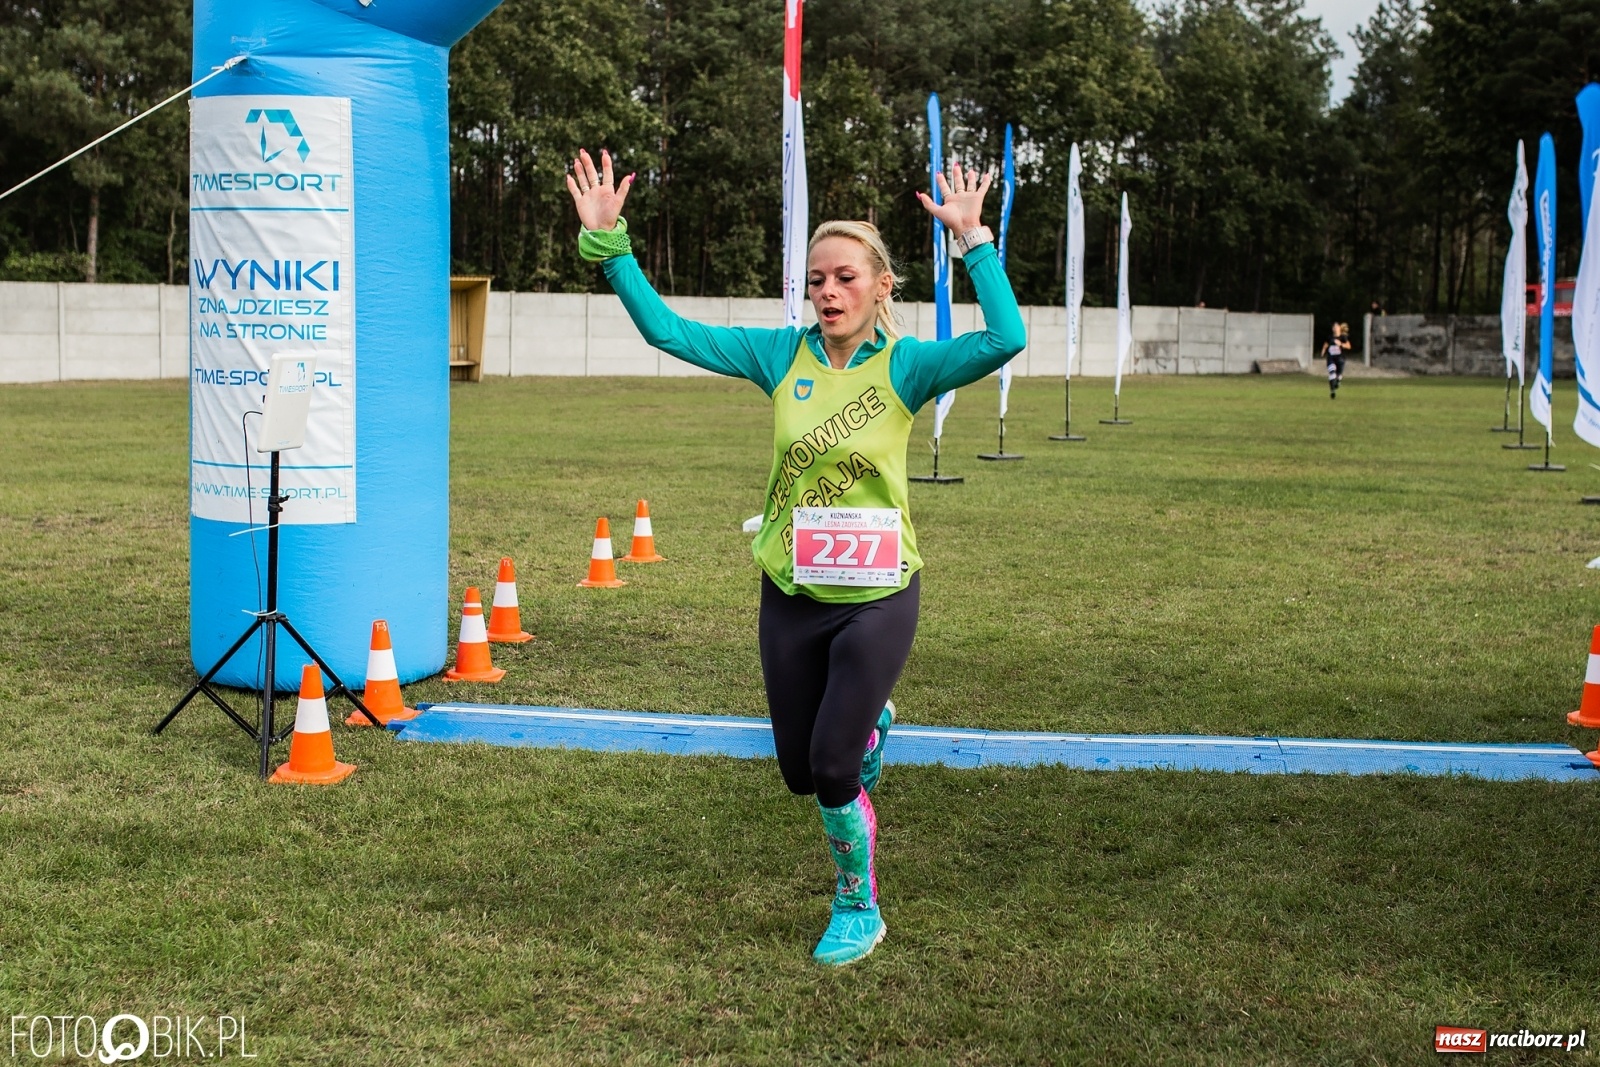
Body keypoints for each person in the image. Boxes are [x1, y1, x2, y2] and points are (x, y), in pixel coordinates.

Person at [566, 147, 1025, 966]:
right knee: (795, 772)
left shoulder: (907, 364)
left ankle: (859, 903)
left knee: (832, 765)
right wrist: (612, 248)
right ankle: (869, 721)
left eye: (846, 277)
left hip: (880, 594)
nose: (828, 292)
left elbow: (1006, 338)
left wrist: (974, 240)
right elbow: (669, 331)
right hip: (789, 589)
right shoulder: (782, 356)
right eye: (817, 279)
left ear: (882, 286)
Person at [1324, 321, 1351, 398]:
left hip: (1340, 359)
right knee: (1332, 373)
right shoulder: (1330, 337)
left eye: (1336, 327)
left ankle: (1338, 381)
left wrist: (1341, 344)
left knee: (1338, 375)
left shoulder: (1343, 337)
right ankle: (1332, 391)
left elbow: (1349, 346)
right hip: (1331, 358)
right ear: (1332, 329)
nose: (1335, 328)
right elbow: (1325, 345)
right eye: (1334, 327)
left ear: (1339, 328)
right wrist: (1323, 352)